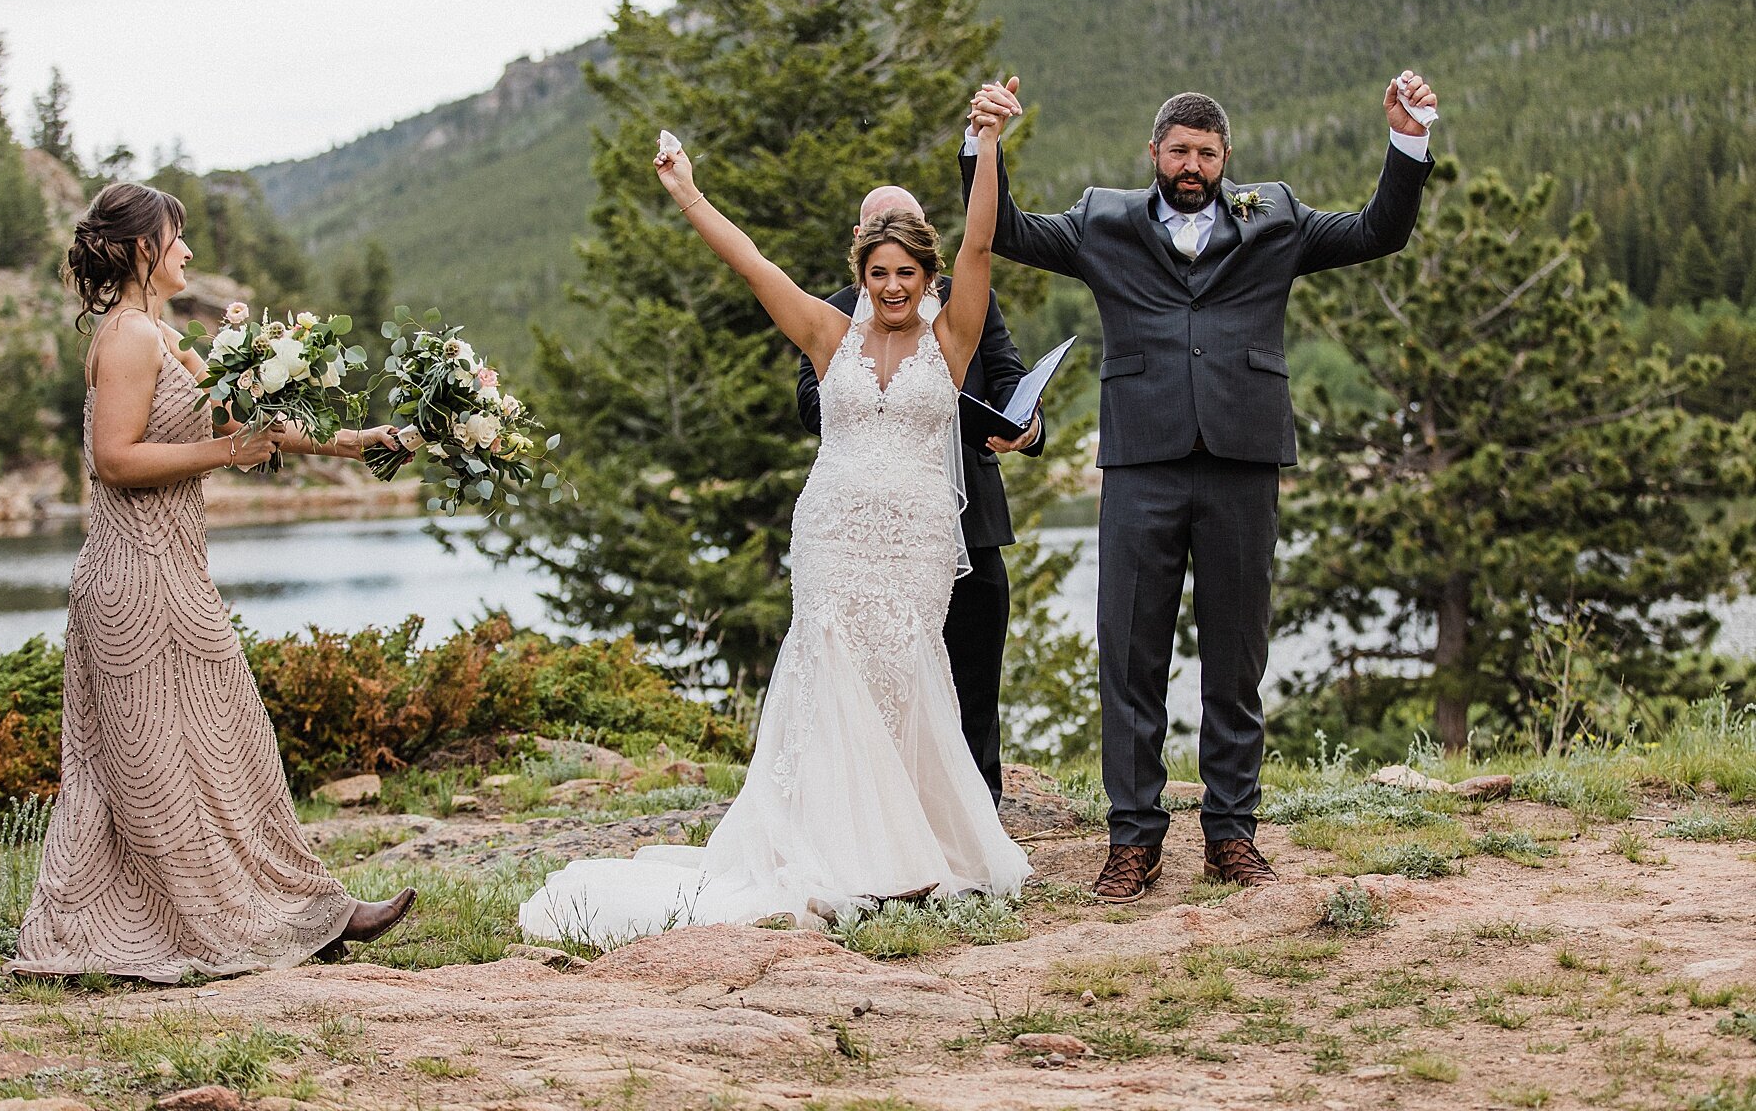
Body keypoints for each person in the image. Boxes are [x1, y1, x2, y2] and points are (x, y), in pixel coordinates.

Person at [518, 114, 1029, 945]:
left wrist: (988, 146)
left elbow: (979, 244)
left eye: (905, 273)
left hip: (917, 543)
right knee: (831, 673)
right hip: (833, 535)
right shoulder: (830, 335)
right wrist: (688, 194)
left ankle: (913, 844)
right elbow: (751, 263)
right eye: (877, 273)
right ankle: (834, 848)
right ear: (858, 273)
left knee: (904, 673)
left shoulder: (954, 335)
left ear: (926, 274)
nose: (892, 287)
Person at [963, 72, 1438, 899]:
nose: (1192, 164)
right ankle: (1134, 841)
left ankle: (1231, 835)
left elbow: (1378, 231)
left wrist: (1407, 142)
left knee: (1237, 653)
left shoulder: (1278, 216)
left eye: (1207, 153)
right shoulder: (1102, 220)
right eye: (1179, 150)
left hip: (1243, 459)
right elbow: (1004, 229)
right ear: (1154, 153)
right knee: (1130, 655)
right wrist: (984, 144)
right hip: (1141, 461)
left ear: (1226, 159)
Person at [7, 182, 417, 982]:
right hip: (134, 578)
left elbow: (246, 424)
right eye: (175, 236)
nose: (189, 251)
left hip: (174, 571)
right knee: (152, 764)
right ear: (138, 250)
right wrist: (226, 458)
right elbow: (117, 459)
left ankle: (306, 911)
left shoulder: (162, 335)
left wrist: (360, 442)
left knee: (231, 746)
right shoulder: (126, 339)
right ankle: (208, 924)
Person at [796, 184, 1043, 807]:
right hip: (865, 527)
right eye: (876, 234)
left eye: (903, 234)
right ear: (859, 245)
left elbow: (1011, 376)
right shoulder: (833, 315)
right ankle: (879, 813)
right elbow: (809, 404)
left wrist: (1027, 427)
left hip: (969, 517)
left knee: (972, 672)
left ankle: (977, 810)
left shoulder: (963, 303)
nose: (893, 279)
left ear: (925, 242)